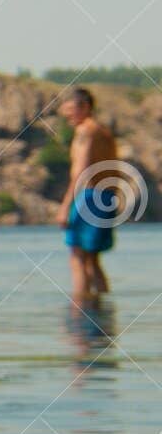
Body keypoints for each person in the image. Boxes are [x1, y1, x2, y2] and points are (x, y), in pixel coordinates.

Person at [56, 87, 128, 302]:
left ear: (85, 107)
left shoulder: (86, 131)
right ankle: (101, 312)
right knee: (92, 259)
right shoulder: (103, 132)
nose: (67, 115)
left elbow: (81, 170)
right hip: (106, 198)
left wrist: (65, 206)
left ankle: (79, 310)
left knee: (77, 256)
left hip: (89, 197)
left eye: (70, 110)